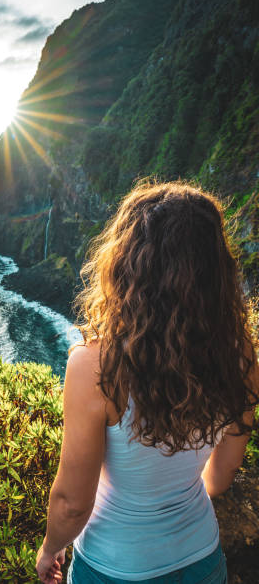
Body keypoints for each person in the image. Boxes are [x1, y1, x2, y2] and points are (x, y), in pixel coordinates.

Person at [35, 180, 259, 584]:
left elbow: (71, 503)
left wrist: (50, 549)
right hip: (202, 560)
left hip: (112, 567)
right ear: (216, 270)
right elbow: (221, 475)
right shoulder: (240, 354)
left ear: (127, 262)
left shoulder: (96, 366)